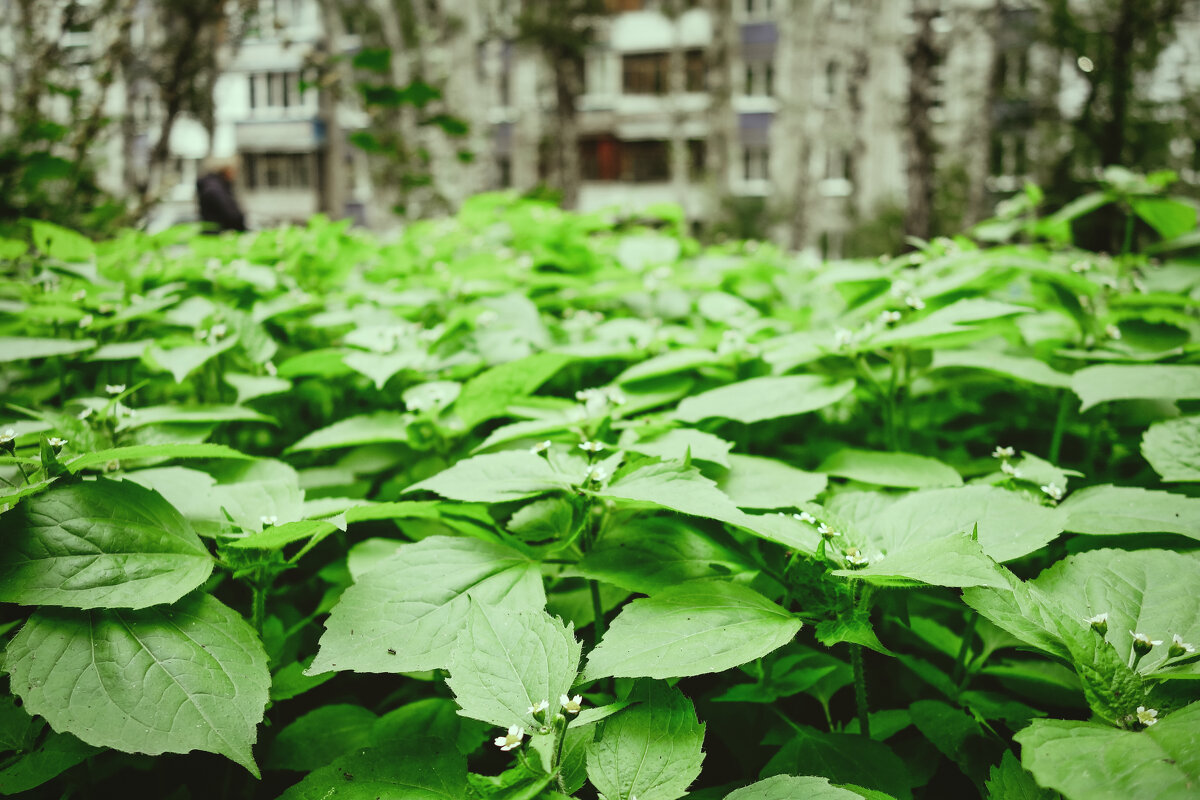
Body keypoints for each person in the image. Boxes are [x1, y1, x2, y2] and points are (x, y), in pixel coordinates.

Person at [196, 157, 247, 233]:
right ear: (226, 170)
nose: (235, 174)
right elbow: (231, 215)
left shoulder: (214, 185)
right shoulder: (216, 189)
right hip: (220, 233)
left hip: (216, 231)